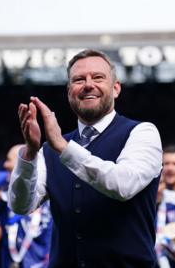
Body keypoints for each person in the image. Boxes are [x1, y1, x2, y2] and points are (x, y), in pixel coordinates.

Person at [9, 49, 162, 267]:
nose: (88, 84)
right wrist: (30, 153)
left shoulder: (142, 133)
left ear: (116, 88)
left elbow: (123, 185)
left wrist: (63, 147)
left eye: (98, 77)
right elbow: (21, 206)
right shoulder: (48, 150)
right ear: (69, 91)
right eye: (79, 79)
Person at [0, 119, 52, 268]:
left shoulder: (52, 202)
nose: (5, 165)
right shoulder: (7, 203)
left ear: (25, 163)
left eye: (9, 160)